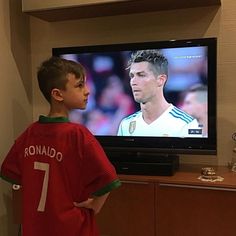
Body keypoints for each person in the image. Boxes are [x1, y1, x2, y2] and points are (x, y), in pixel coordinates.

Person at [0, 57, 121, 236]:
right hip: (71, 227)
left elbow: (11, 172)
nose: (87, 91)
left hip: (35, 226)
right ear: (57, 94)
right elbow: (109, 179)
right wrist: (94, 206)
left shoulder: (29, 133)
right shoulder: (78, 135)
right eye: (79, 86)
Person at [117, 49, 201, 137]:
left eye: (141, 75)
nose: (133, 82)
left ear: (160, 80)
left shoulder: (186, 124)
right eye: (132, 76)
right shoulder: (126, 124)